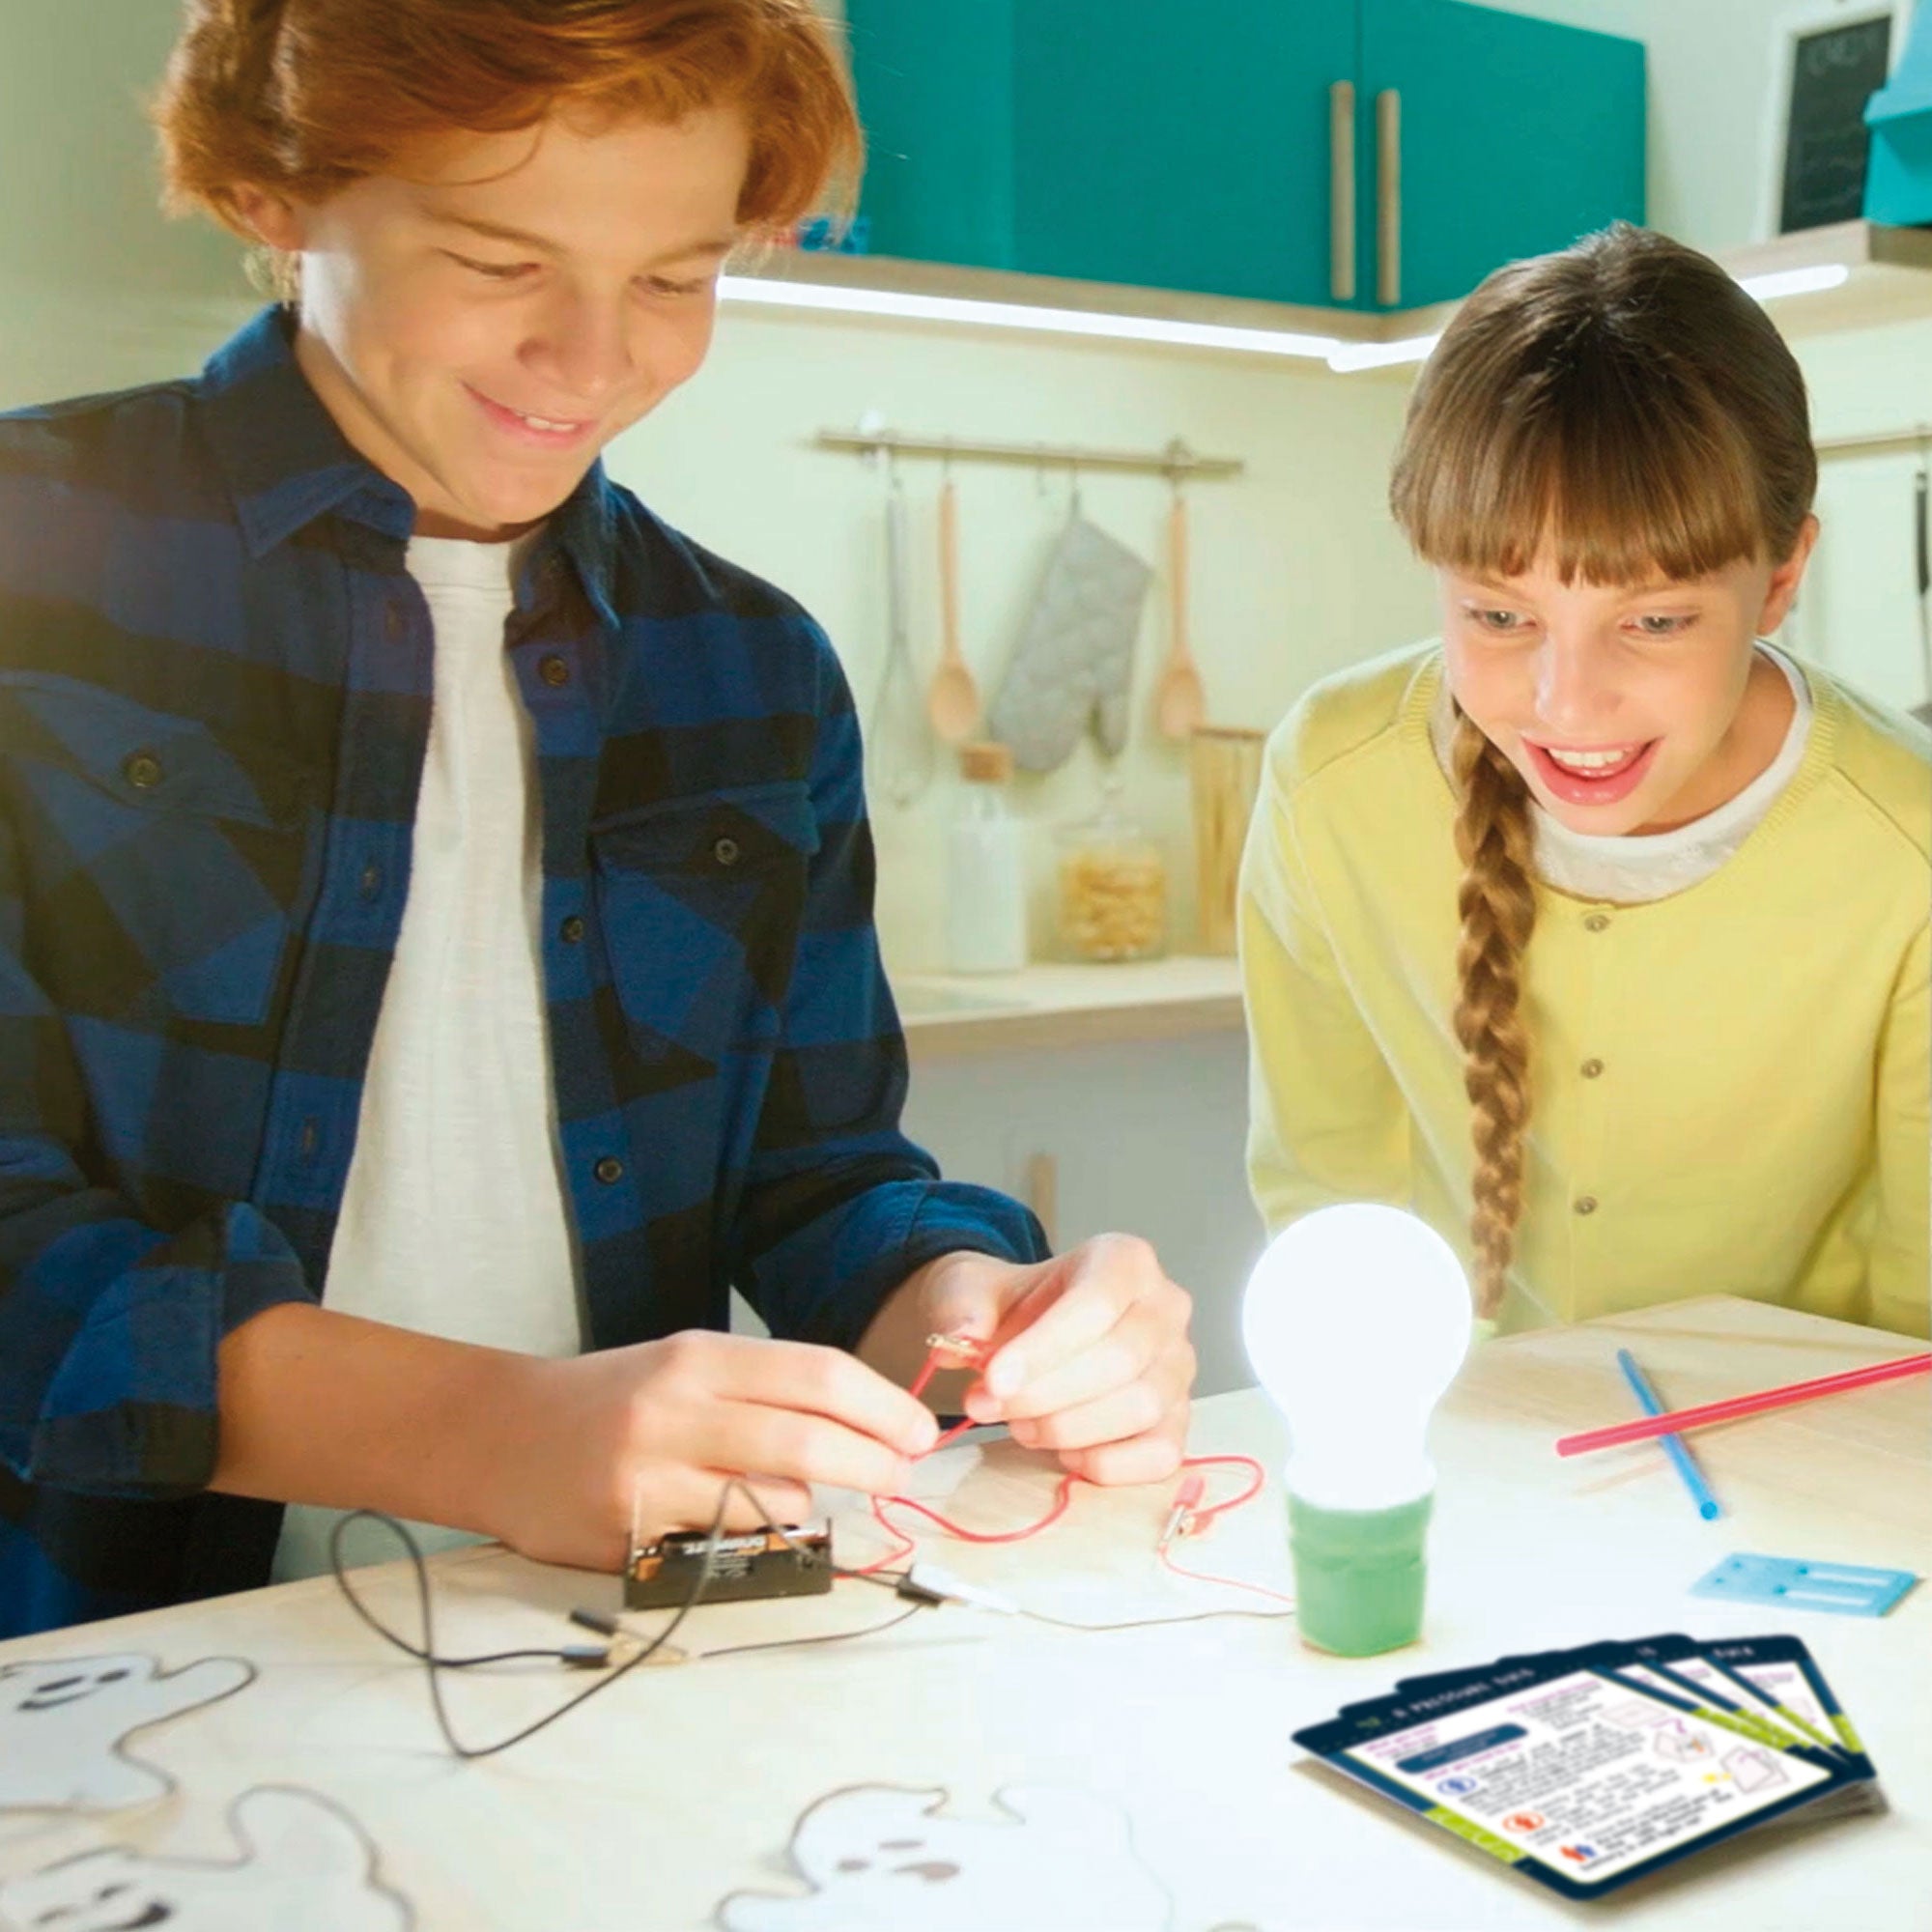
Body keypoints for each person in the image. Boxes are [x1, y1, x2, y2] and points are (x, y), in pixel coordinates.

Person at [0, 0, 1194, 1639]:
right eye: (498, 261)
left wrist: (966, 1304)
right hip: (99, 1658)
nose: (598, 358)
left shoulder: (752, 666)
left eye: (676, 278)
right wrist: (495, 1436)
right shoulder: (30, 562)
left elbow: (816, 1170)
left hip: (624, 1635)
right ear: (278, 190)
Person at [1241, 223, 1929, 1341]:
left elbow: (1921, 1305)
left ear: (1779, 578)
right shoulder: (1328, 783)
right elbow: (1326, 1191)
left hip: (1822, 1470)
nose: (1565, 703)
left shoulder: (1908, 845)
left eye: (1652, 619)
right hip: (1466, 1456)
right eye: (1498, 615)